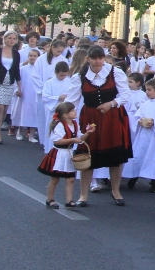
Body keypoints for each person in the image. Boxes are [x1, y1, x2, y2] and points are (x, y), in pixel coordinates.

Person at [61, 46, 134, 206]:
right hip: (90, 119)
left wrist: (112, 103)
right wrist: (63, 118)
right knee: (88, 157)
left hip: (114, 117)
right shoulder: (80, 77)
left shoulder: (115, 72)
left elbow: (126, 94)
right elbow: (72, 101)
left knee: (115, 157)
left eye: (100, 58)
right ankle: (83, 195)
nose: (98, 61)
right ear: (88, 59)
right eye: (94, 58)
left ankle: (116, 191)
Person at [37, 102, 94, 209]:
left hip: (68, 154)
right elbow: (57, 141)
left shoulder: (74, 124)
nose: (75, 111)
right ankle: (50, 199)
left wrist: (88, 133)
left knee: (70, 179)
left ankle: (69, 200)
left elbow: (80, 139)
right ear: (65, 115)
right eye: (72, 110)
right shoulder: (60, 125)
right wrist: (72, 140)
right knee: (55, 179)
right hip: (59, 154)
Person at [129, 78, 155, 193]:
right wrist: (139, 121)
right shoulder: (145, 104)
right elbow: (136, 117)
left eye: (149, 90)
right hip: (143, 135)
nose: (147, 92)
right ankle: (133, 177)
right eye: (146, 89)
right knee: (138, 156)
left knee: (154, 159)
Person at [118, 72, 148, 187]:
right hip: (124, 122)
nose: (128, 84)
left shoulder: (143, 96)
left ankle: (132, 174)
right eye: (127, 82)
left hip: (135, 125)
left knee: (134, 149)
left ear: (138, 83)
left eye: (130, 82)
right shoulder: (125, 93)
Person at [40, 62, 72, 151]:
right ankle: (50, 148)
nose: (64, 77)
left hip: (66, 110)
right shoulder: (49, 83)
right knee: (53, 128)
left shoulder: (69, 81)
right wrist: (58, 98)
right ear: (55, 72)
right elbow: (45, 97)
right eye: (61, 75)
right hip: (53, 110)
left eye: (65, 75)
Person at [17, 48, 42, 142]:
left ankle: (31, 135)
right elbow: (18, 81)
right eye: (30, 55)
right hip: (25, 94)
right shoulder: (23, 69)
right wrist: (18, 90)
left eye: (34, 56)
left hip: (35, 95)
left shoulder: (40, 70)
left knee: (34, 114)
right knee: (23, 113)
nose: (32, 57)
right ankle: (19, 132)